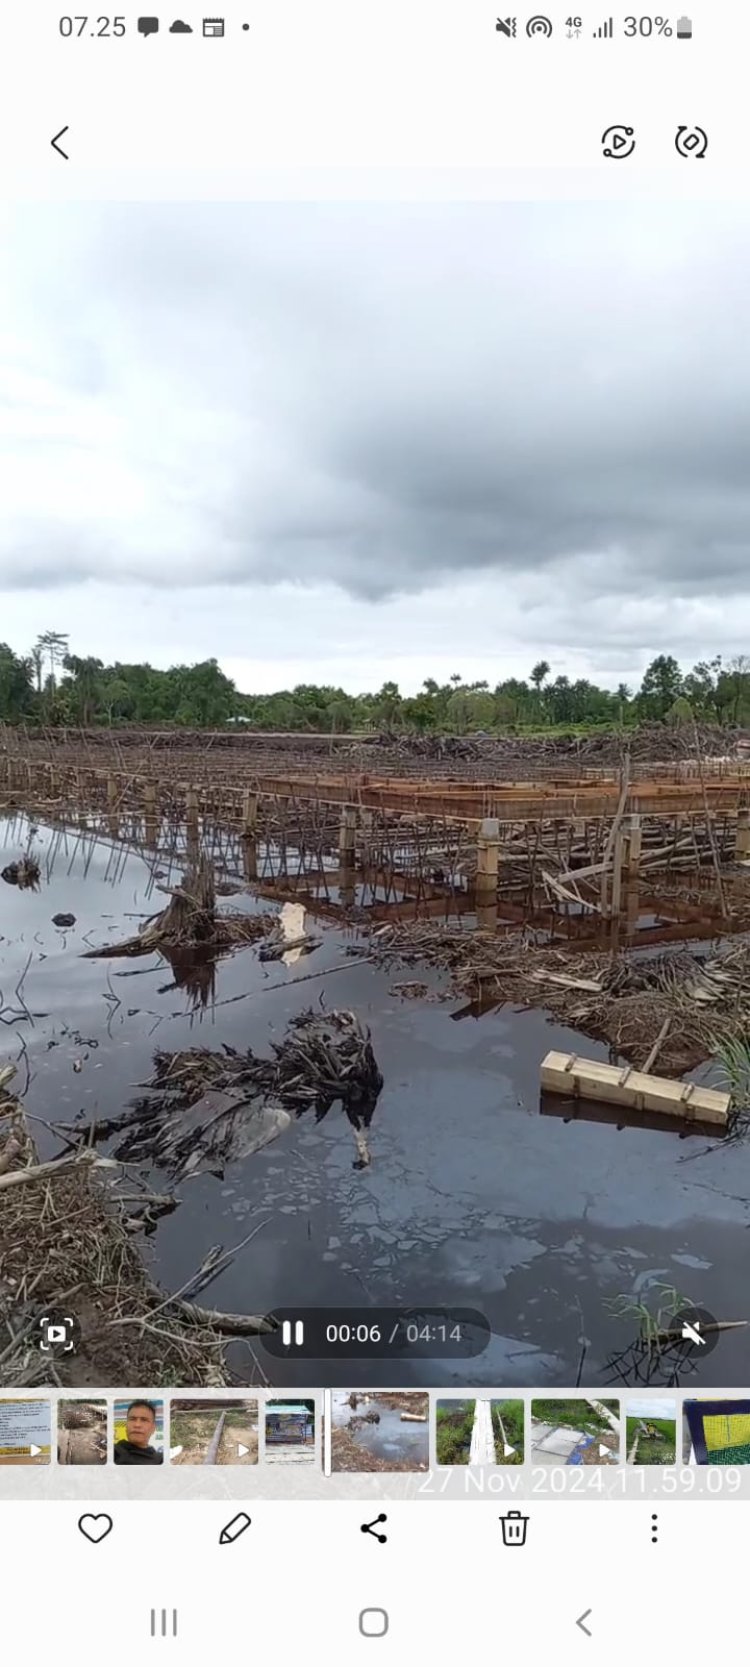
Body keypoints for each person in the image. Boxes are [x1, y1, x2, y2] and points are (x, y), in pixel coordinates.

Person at [114, 1400, 163, 1464]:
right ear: (126, 1426)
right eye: (132, 1419)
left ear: (153, 1428)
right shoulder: (114, 1451)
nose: (137, 1425)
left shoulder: (160, 1460)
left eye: (144, 1420)